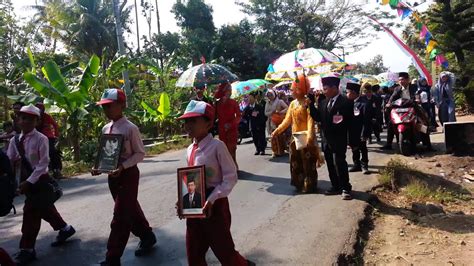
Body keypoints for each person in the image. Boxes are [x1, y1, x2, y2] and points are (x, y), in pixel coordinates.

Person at [177, 100, 253, 266]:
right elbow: (191, 178)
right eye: (186, 121)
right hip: (195, 207)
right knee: (194, 251)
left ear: (208, 123)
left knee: (224, 250)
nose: (188, 125)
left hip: (215, 207)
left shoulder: (217, 146)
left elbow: (230, 177)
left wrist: (212, 198)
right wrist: (183, 201)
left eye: (193, 121)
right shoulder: (190, 149)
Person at [92, 88, 156, 266]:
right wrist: (98, 167)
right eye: (104, 107)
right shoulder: (106, 128)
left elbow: (140, 154)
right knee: (130, 209)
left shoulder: (130, 128)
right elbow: (106, 154)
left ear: (122, 105)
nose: (106, 110)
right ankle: (147, 236)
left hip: (128, 175)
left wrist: (123, 166)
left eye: (110, 106)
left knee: (120, 215)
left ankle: (113, 257)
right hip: (113, 176)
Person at [7, 104, 75, 265]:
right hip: (24, 182)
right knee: (46, 209)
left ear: (37, 121)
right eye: (22, 118)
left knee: (30, 213)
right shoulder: (14, 141)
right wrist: (12, 181)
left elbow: (43, 164)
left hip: (40, 182)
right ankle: (65, 229)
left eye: (30, 119)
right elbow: (10, 161)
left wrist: (29, 182)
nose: (25, 121)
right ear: (18, 119)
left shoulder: (41, 139)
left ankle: (27, 249)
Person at [272, 75, 323, 193]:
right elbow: (287, 120)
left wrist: (310, 136)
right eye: (292, 89)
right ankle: (298, 183)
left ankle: (309, 184)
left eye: (294, 89)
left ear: (300, 89)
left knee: (308, 163)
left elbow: (311, 120)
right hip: (295, 138)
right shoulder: (292, 104)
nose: (292, 92)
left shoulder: (307, 102)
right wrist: (277, 131)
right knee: (296, 162)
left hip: (306, 136)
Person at [309, 74, 353, 200]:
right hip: (326, 139)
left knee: (339, 163)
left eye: (326, 88)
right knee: (330, 164)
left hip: (339, 139)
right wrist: (311, 104)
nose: (324, 90)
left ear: (334, 88)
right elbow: (318, 118)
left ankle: (345, 187)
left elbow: (351, 124)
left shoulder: (346, 103)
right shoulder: (323, 102)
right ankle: (335, 185)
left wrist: (352, 140)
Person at [382, 72, 418, 150]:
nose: (401, 81)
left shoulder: (414, 87)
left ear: (408, 80)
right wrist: (388, 104)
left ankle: (428, 144)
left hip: (412, 107)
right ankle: (389, 144)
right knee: (390, 123)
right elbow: (392, 97)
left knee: (422, 119)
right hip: (399, 109)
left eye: (403, 79)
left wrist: (417, 99)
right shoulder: (397, 88)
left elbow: (417, 95)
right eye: (400, 80)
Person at [346, 82, 372, 175]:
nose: (346, 94)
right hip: (351, 131)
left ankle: (364, 165)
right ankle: (356, 164)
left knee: (362, 148)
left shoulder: (364, 103)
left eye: (347, 92)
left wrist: (364, 134)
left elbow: (366, 120)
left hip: (360, 131)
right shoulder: (348, 102)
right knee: (354, 148)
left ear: (353, 92)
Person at [215, 82, 241, 168]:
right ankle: (227, 167)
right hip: (222, 129)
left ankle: (234, 165)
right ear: (223, 91)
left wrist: (231, 124)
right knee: (224, 149)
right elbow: (214, 116)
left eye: (230, 90)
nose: (230, 92)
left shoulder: (233, 102)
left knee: (232, 148)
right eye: (228, 90)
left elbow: (238, 116)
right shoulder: (217, 104)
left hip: (232, 129)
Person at [35, 103, 62, 179]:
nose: (40, 110)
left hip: (48, 137)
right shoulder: (33, 117)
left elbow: (55, 125)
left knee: (52, 152)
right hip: (37, 138)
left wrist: (56, 135)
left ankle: (57, 169)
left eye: (41, 108)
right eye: (38, 108)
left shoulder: (47, 116)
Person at [264, 90, 288, 157]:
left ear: (274, 95)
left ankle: (280, 150)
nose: (269, 97)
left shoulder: (280, 101)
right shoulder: (267, 103)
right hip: (271, 122)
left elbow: (287, 108)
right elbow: (265, 113)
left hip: (279, 121)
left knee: (280, 136)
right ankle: (274, 151)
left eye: (271, 95)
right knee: (273, 137)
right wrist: (271, 112)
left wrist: (280, 112)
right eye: (268, 95)